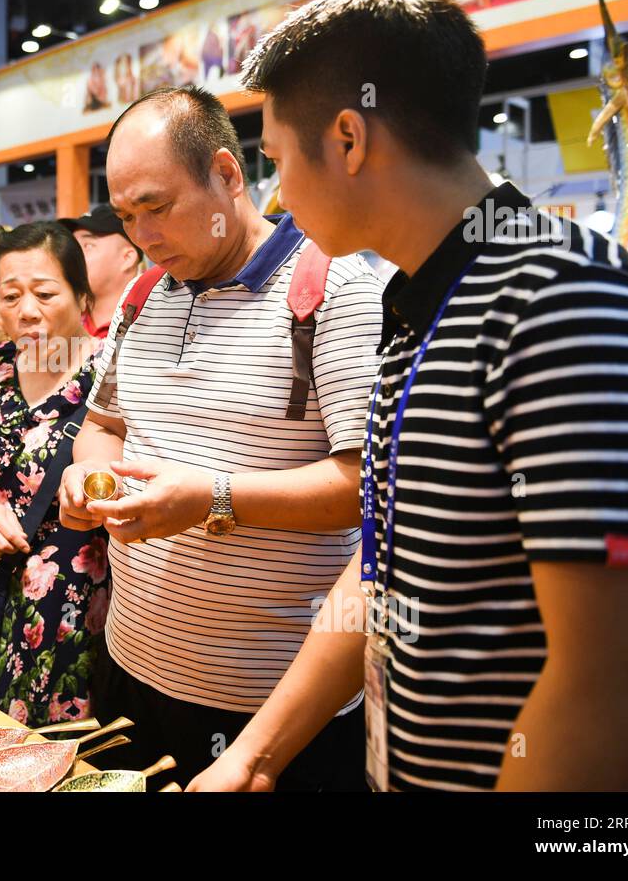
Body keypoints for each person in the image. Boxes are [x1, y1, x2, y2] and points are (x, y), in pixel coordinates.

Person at [190, 0, 628, 792]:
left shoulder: (565, 305)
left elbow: (617, 681)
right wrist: (254, 757)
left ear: (348, 139)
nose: (275, 193)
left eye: (274, 157)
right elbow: (385, 565)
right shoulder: (422, 307)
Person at [58, 84, 385, 789]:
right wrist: (89, 476)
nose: (142, 235)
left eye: (157, 207)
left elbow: (369, 490)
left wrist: (216, 497)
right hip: (131, 668)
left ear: (228, 175)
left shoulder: (335, 291)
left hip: (272, 710)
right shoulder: (144, 298)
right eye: (126, 216)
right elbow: (103, 427)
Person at [0, 221, 108, 726]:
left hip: (72, 596)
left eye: (44, 292)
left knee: (55, 742)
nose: (26, 310)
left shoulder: (110, 371)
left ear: (82, 294)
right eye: (10, 295)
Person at [59, 205, 143, 345]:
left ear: (127, 258)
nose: (73, 256)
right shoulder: (61, 324)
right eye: (73, 247)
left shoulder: (150, 324)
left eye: (88, 245)